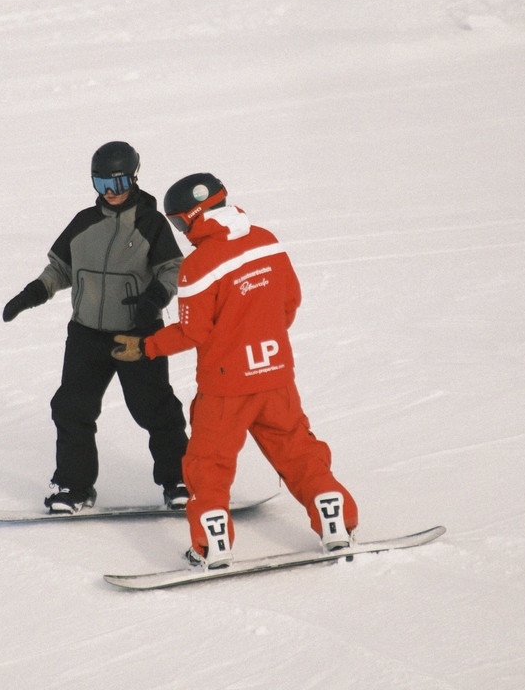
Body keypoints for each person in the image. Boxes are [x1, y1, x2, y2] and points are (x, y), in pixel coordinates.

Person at [111, 172, 358, 568]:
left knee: (208, 464)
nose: (180, 231)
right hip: (276, 375)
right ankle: (335, 516)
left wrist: (146, 346)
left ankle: (212, 546)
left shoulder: (199, 265)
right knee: (297, 449)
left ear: (193, 217)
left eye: (178, 222)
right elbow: (289, 302)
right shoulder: (267, 241)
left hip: (225, 389)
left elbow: (193, 330)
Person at [2, 141, 189, 514]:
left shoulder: (152, 223)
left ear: (134, 179)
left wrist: (153, 299)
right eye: (102, 185)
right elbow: (61, 268)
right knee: (72, 408)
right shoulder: (84, 222)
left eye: (118, 185)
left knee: (154, 409)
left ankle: (180, 479)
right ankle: (73, 486)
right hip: (86, 333)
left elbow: (173, 270)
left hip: (136, 333)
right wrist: (34, 292)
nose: (111, 194)